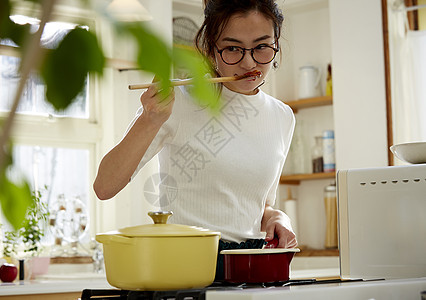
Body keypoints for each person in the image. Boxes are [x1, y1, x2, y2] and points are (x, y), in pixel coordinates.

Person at [93, 0, 297, 278]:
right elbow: (104, 187)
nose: (249, 62)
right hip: (184, 264)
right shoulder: (177, 104)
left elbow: (260, 206)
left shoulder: (283, 116)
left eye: (261, 46)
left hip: (249, 267)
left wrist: (278, 218)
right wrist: (149, 119)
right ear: (212, 50)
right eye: (233, 48)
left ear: (276, 45)